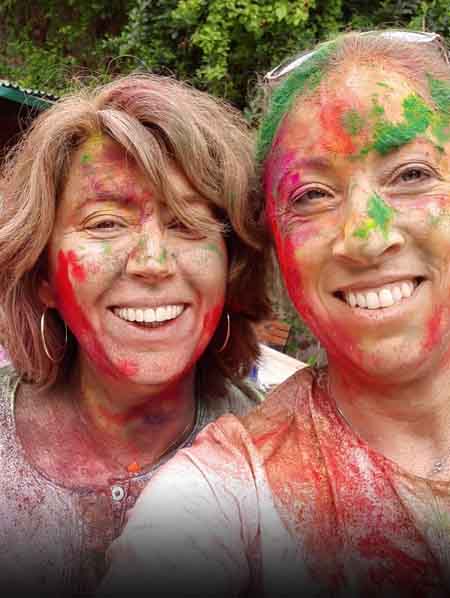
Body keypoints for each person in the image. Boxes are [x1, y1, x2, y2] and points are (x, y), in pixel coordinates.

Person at [101, 31, 450, 597]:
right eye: (311, 195)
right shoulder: (227, 494)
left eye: (411, 175)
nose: (366, 239)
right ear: (272, 243)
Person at [0, 73, 270, 596]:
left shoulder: (285, 462)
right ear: (41, 274)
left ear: (232, 268)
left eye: (188, 224)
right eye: (105, 224)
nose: (152, 262)